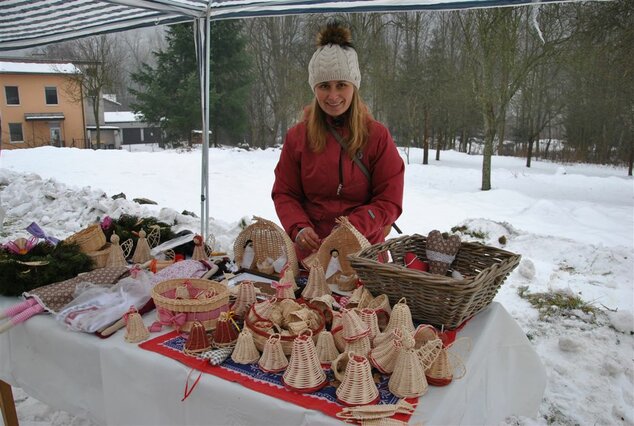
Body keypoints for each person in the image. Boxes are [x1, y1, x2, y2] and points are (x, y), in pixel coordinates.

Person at [271, 21, 404, 261]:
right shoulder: (297, 137)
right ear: (315, 89)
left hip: (364, 253)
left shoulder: (377, 136)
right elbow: (284, 193)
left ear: (354, 86)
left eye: (341, 85)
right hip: (311, 255)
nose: (333, 96)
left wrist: (352, 226)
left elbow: (389, 200)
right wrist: (298, 227)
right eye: (324, 86)